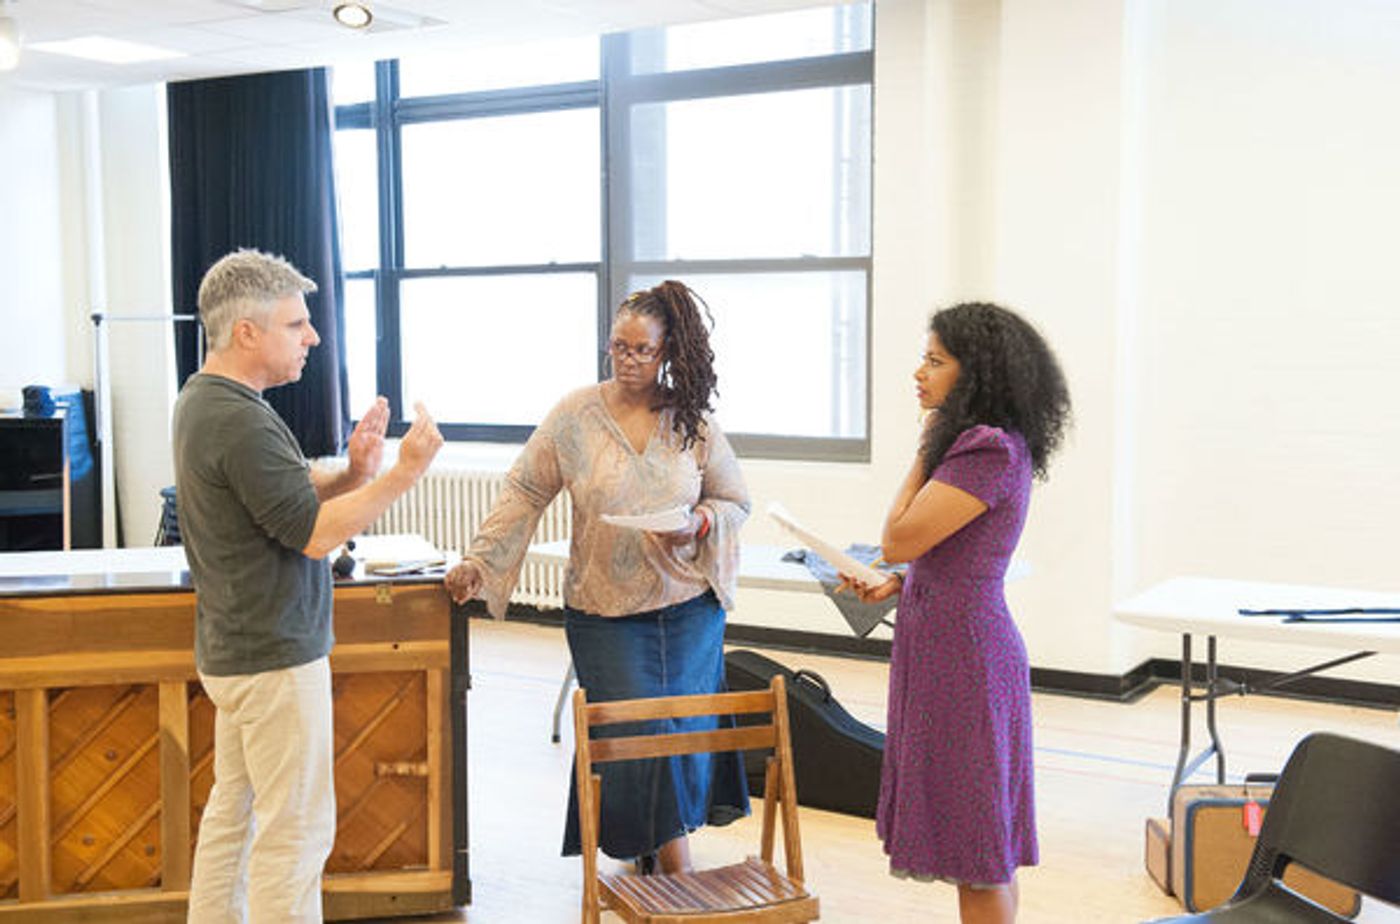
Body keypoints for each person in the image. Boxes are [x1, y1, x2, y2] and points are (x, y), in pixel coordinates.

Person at [444, 280, 750, 875]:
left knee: (678, 730)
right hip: (603, 610)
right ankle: (675, 869)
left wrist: (701, 522)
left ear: (669, 354)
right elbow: (525, 490)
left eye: (644, 350)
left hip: (687, 607)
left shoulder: (692, 421)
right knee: (636, 728)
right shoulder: (575, 415)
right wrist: (481, 560)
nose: (629, 360)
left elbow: (735, 499)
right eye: (619, 347)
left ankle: (663, 852)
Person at [174, 248, 444, 923]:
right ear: (247, 333)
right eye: (296, 324)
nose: (313, 338)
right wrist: (402, 473)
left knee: (232, 822)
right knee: (294, 836)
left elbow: (281, 501)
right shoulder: (238, 416)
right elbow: (316, 536)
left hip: (238, 653)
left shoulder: (205, 400)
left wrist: (353, 473)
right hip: (272, 659)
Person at [844, 301, 1070, 924]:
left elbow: (899, 537)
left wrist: (925, 445)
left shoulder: (984, 447)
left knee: (979, 848)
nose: (919, 372)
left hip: (965, 658)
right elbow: (941, 555)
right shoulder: (984, 444)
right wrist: (899, 586)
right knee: (979, 837)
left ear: (975, 376)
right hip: (949, 643)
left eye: (935, 361)